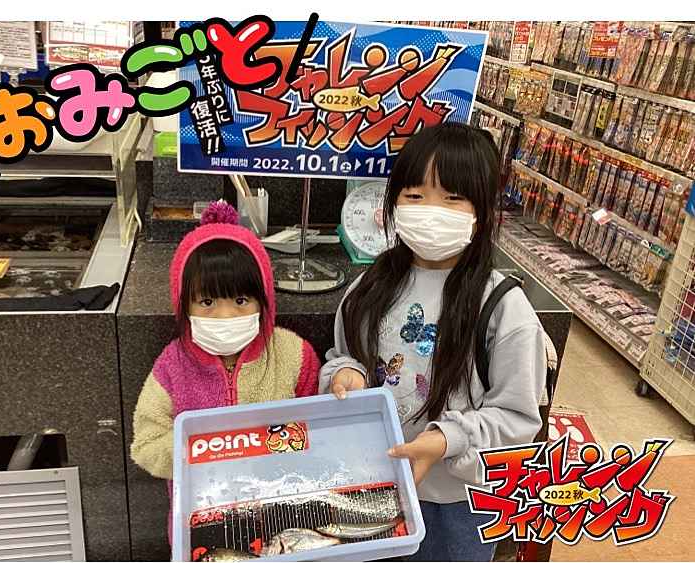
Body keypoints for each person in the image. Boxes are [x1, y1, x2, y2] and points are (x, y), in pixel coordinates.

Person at [321, 123, 546, 562]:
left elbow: (519, 418)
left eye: (453, 197)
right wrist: (345, 374)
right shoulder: (368, 288)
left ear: (483, 209)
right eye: (415, 195)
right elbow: (344, 355)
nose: (430, 210)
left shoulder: (503, 307)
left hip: (459, 504)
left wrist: (447, 439)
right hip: (374, 484)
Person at [130, 200, 320, 540]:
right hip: (202, 522)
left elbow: (320, 431)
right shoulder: (171, 366)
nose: (225, 316)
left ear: (264, 299)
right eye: (207, 302)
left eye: (241, 301)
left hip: (281, 518)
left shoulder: (294, 355)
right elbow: (146, 445)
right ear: (183, 304)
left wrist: (267, 450)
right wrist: (205, 451)